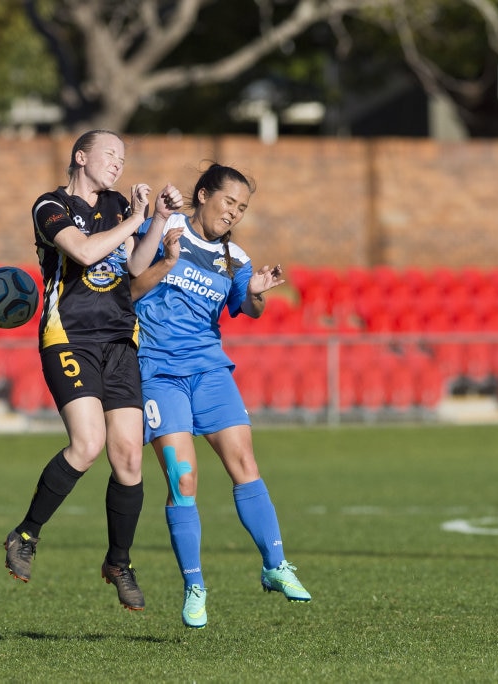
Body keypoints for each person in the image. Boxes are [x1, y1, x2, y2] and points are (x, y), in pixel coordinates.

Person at [3, 129, 182, 611]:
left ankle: (118, 561)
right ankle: (25, 533)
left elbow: (131, 267)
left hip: (121, 340)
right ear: (81, 157)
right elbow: (82, 251)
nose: (119, 164)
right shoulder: (49, 205)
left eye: (124, 157)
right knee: (87, 445)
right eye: (110, 155)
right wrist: (138, 219)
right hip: (70, 337)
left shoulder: (119, 207)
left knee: (127, 456)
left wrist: (156, 222)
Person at [130, 163, 311, 629]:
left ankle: (275, 566)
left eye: (242, 208)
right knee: (183, 480)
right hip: (158, 372)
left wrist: (256, 292)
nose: (234, 213)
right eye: (229, 202)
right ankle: (195, 586)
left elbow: (247, 306)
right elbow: (127, 289)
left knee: (245, 466)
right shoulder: (165, 228)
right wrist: (166, 260)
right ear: (204, 195)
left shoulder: (236, 258)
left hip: (211, 372)